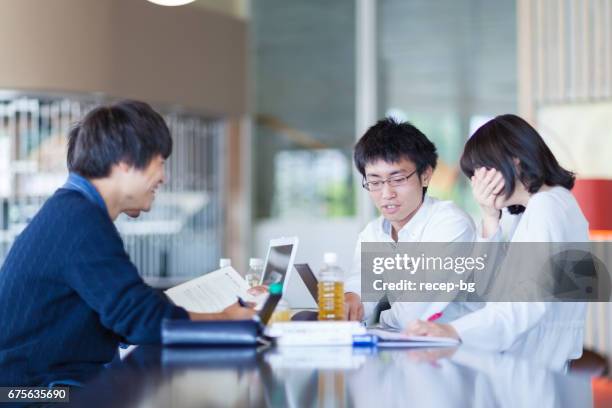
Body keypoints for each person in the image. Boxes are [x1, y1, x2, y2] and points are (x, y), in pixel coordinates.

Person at [0, 100, 254, 387]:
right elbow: (139, 318)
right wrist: (225, 319)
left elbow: (128, 305)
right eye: (160, 162)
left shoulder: (74, 211)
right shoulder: (79, 221)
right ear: (125, 161)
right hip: (30, 395)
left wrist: (224, 316)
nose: (163, 177)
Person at [406, 114, 588, 370]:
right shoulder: (526, 212)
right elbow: (484, 291)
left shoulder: (548, 207)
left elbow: (526, 303)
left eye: (481, 171)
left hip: (533, 370)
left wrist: (450, 330)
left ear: (514, 160)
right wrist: (489, 217)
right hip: (521, 366)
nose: (476, 183)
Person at [344, 118, 475, 328]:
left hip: (463, 348)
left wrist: (378, 321)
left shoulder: (450, 224)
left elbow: (412, 314)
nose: (386, 194)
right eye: (375, 182)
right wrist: (350, 302)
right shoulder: (374, 232)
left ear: (425, 176)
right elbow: (360, 287)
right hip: (415, 347)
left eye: (397, 179)